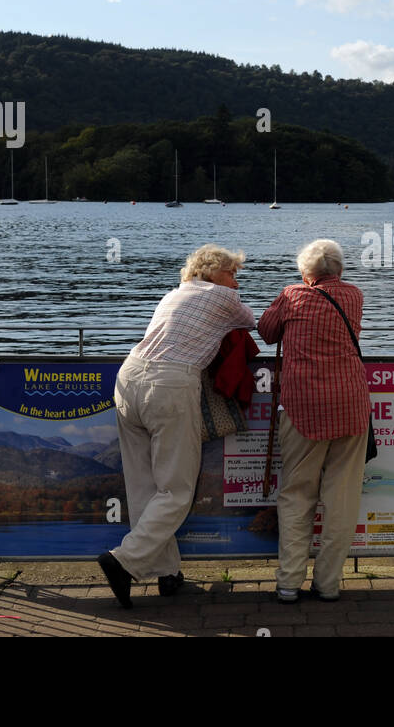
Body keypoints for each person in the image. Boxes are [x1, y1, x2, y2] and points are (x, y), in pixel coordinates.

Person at [97, 244, 254, 609]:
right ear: (212, 272)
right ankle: (123, 561)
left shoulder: (173, 293)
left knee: (143, 487)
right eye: (231, 272)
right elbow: (253, 321)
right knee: (176, 489)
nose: (235, 280)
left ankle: (168, 575)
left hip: (128, 376)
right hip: (169, 385)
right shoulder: (222, 296)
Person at [258, 239, 369, 604]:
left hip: (303, 407)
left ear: (306, 273)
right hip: (351, 404)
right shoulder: (354, 296)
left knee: (296, 493)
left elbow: (267, 331)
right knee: (342, 497)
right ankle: (329, 585)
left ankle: (289, 583)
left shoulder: (292, 294)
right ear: (338, 270)